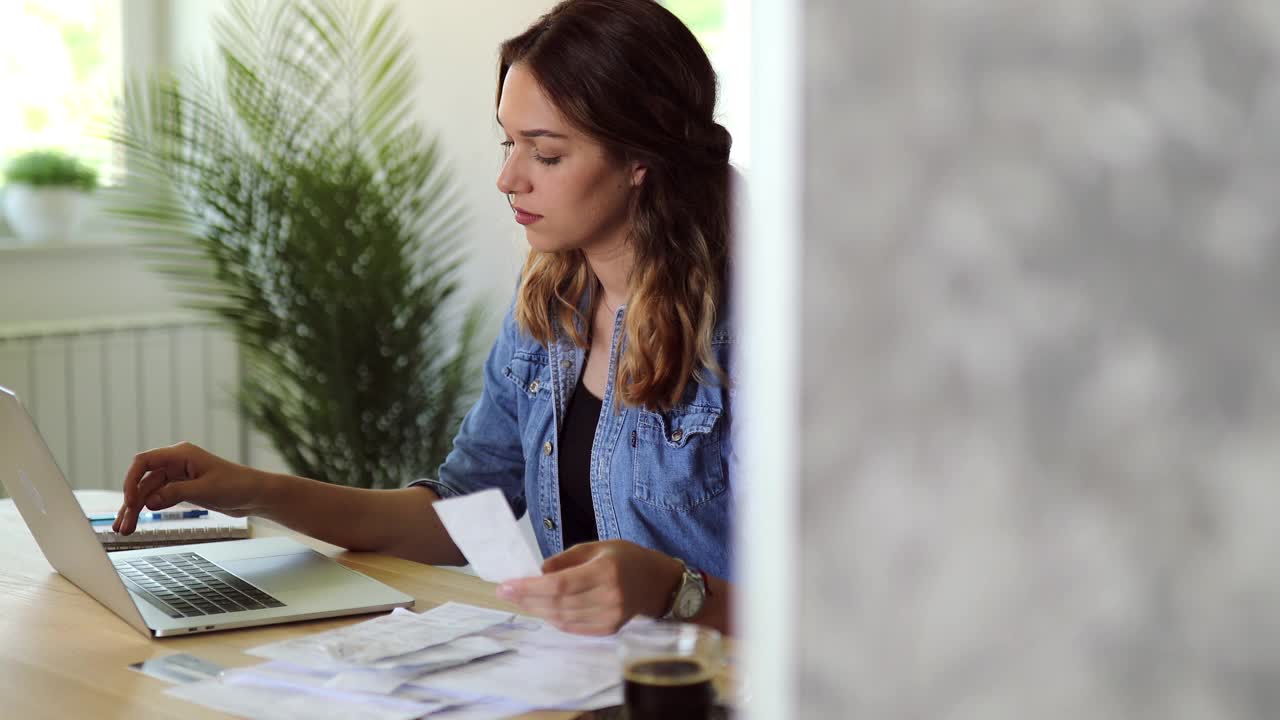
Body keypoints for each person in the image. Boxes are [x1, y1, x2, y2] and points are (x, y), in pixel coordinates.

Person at [112, 0, 737, 637]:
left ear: (641, 160)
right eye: (508, 142)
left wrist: (671, 590)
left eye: (545, 154)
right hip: (586, 679)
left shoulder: (759, 332)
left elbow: (829, 603)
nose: (507, 179)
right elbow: (459, 515)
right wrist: (254, 493)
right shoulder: (553, 303)